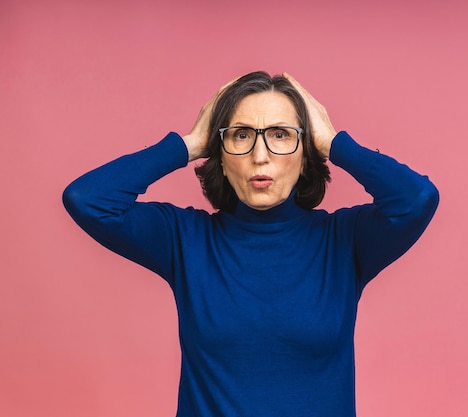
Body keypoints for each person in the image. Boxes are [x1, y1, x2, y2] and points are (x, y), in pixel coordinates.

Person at [63, 71, 439, 417]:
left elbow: (417, 199)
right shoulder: (186, 238)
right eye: (240, 135)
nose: (260, 156)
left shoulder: (344, 241)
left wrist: (333, 143)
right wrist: (189, 143)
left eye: (281, 135)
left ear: (306, 157)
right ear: (221, 157)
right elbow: (88, 199)